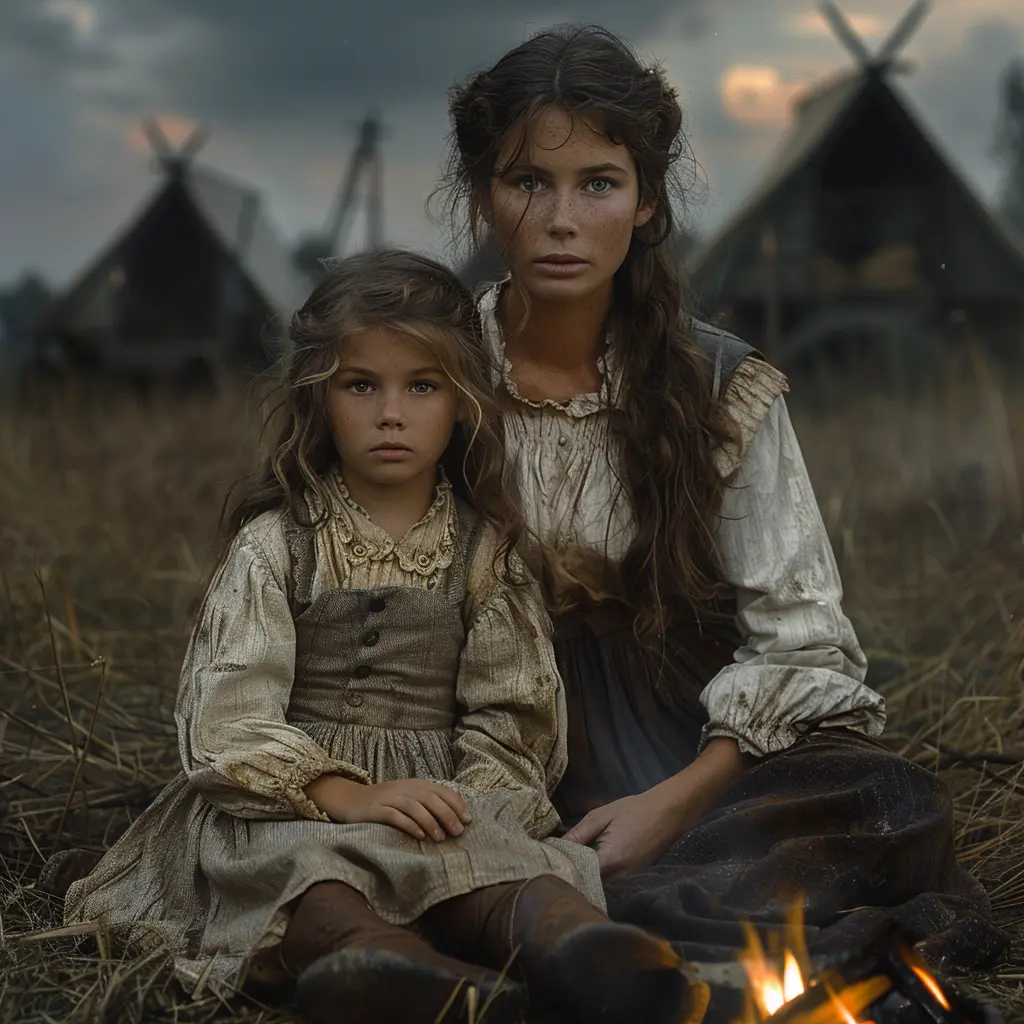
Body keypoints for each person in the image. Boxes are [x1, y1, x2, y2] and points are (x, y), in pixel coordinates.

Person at [424, 23, 1009, 1014]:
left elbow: (805, 641)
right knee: (377, 833)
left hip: (692, 754)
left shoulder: (719, 386)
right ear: (485, 195)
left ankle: (599, 926)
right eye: (528, 181)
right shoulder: (430, 374)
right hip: (484, 732)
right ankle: (588, 930)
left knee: (891, 804)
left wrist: (672, 799)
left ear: (645, 201)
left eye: (599, 184)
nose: (562, 218)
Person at [58, 251, 705, 1024]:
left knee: (500, 869)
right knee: (307, 877)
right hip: (296, 803)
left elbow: (514, 712)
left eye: (421, 386)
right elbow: (227, 719)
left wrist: (467, 809)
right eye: (360, 385)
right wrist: (347, 796)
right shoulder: (281, 543)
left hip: (440, 797)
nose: (390, 413)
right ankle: (398, 975)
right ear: (318, 395)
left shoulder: (486, 551)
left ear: (463, 402)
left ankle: (582, 953)